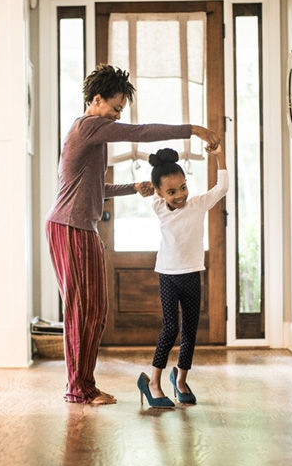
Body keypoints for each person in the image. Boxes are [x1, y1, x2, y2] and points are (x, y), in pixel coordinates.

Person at [46, 64, 221, 405]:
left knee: (96, 309)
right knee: (82, 310)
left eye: (119, 112)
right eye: (114, 109)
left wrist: (132, 187)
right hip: (69, 227)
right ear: (96, 100)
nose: (116, 117)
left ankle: (86, 384)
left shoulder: (93, 135)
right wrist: (192, 129)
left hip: (82, 227)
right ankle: (77, 389)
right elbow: (140, 133)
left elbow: (96, 188)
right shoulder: (88, 127)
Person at [137, 146, 228, 408]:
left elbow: (221, 188)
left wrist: (219, 156)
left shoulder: (198, 204)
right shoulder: (158, 206)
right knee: (170, 328)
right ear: (160, 193)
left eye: (183, 187)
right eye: (172, 191)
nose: (180, 195)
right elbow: (144, 191)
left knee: (190, 330)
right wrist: (141, 188)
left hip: (191, 275)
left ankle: (180, 379)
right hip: (167, 275)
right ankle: (152, 383)